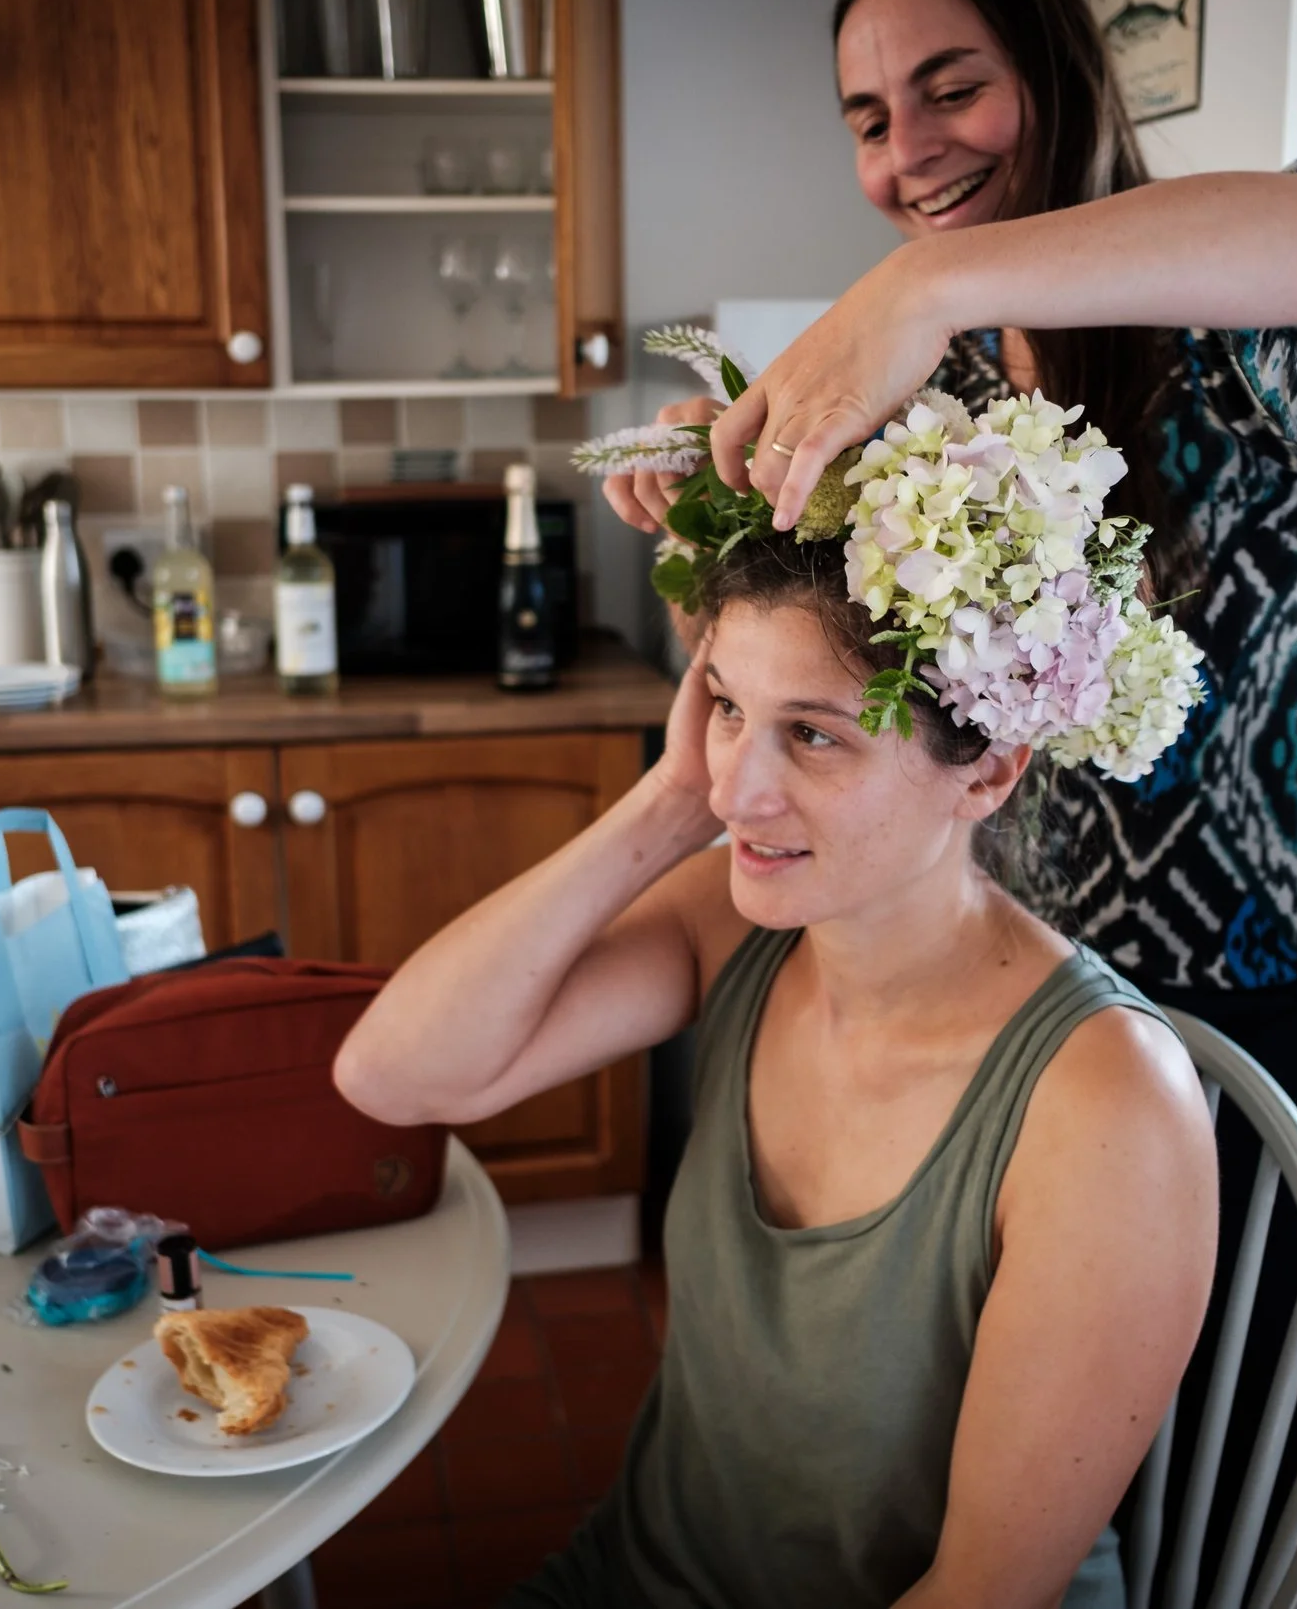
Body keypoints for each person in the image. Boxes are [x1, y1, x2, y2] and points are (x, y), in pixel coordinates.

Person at [601, 0, 1297, 1602]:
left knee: (1262, 1523)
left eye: (951, 85)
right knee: (1060, 1500)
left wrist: (914, 288)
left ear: (1059, 73)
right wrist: (720, 515)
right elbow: (848, 674)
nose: (906, 149)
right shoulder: (957, 384)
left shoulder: (1238, 328)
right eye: (865, 115)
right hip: (1044, 1021)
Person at [335, 507, 1222, 1603]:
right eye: (726, 707)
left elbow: (981, 1590)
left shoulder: (1108, 1107)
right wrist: (665, 799)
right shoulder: (739, 919)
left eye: (812, 733)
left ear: (987, 771)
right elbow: (395, 1074)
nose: (734, 790)